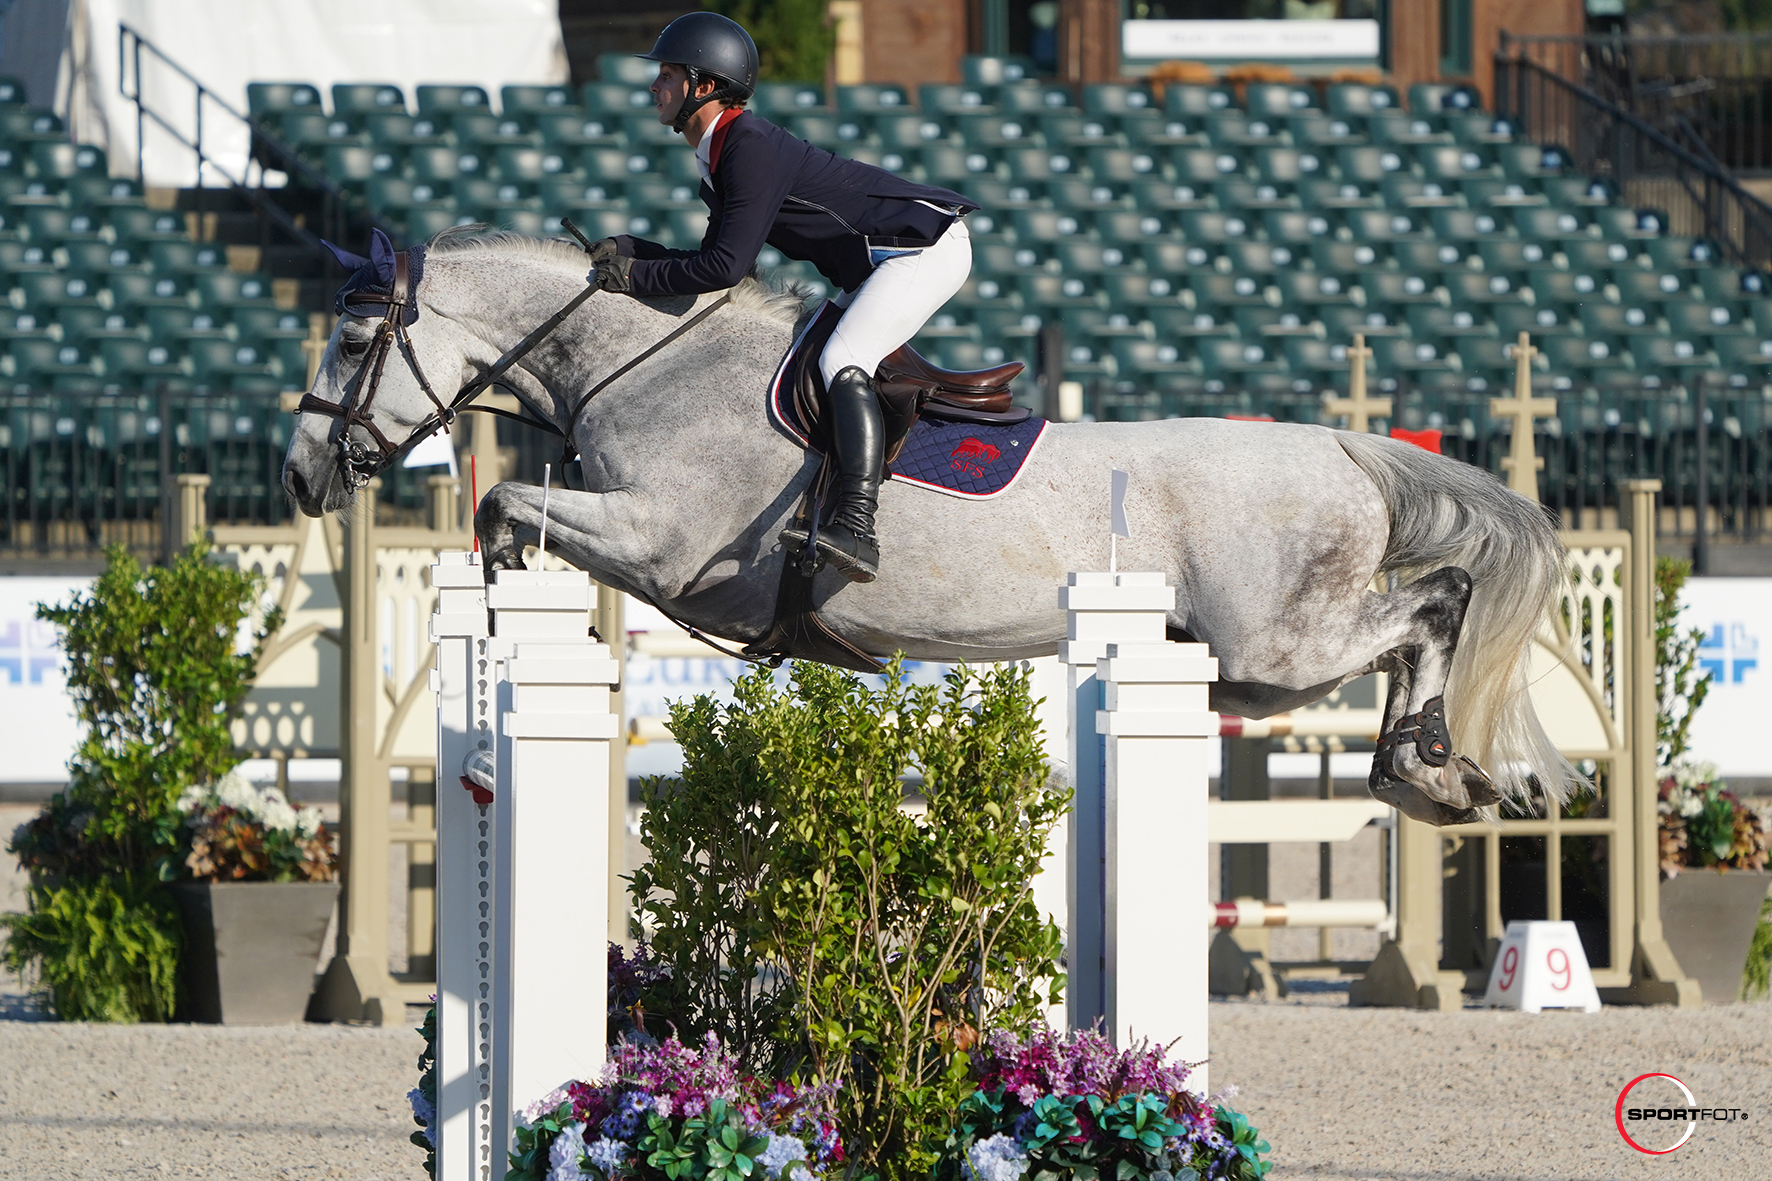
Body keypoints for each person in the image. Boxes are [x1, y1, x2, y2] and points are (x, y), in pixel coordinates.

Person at [586, 11, 978, 584]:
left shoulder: (748, 146)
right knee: (811, 355)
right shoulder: (723, 154)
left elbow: (724, 269)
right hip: (882, 262)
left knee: (842, 359)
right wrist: (632, 249)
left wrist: (634, 277)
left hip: (922, 249)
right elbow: (712, 259)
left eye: (667, 74)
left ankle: (858, 527)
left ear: (705, 84)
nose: (654, 86)